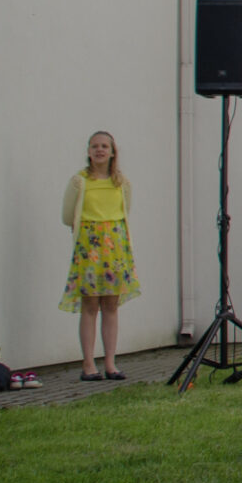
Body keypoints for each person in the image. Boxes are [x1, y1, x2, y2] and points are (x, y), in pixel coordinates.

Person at [60, 130, 140, 381]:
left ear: (112, 151)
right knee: (90, 305)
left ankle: (110, 363)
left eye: (105, 146)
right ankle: (88, 364)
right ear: (88, 151)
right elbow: (67, 215)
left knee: (111, 305)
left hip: (115, 247)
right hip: (89, 247)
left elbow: (126, 210)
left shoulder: (122, 183)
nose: (100, 150)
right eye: (94, 146)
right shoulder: (79, 181)